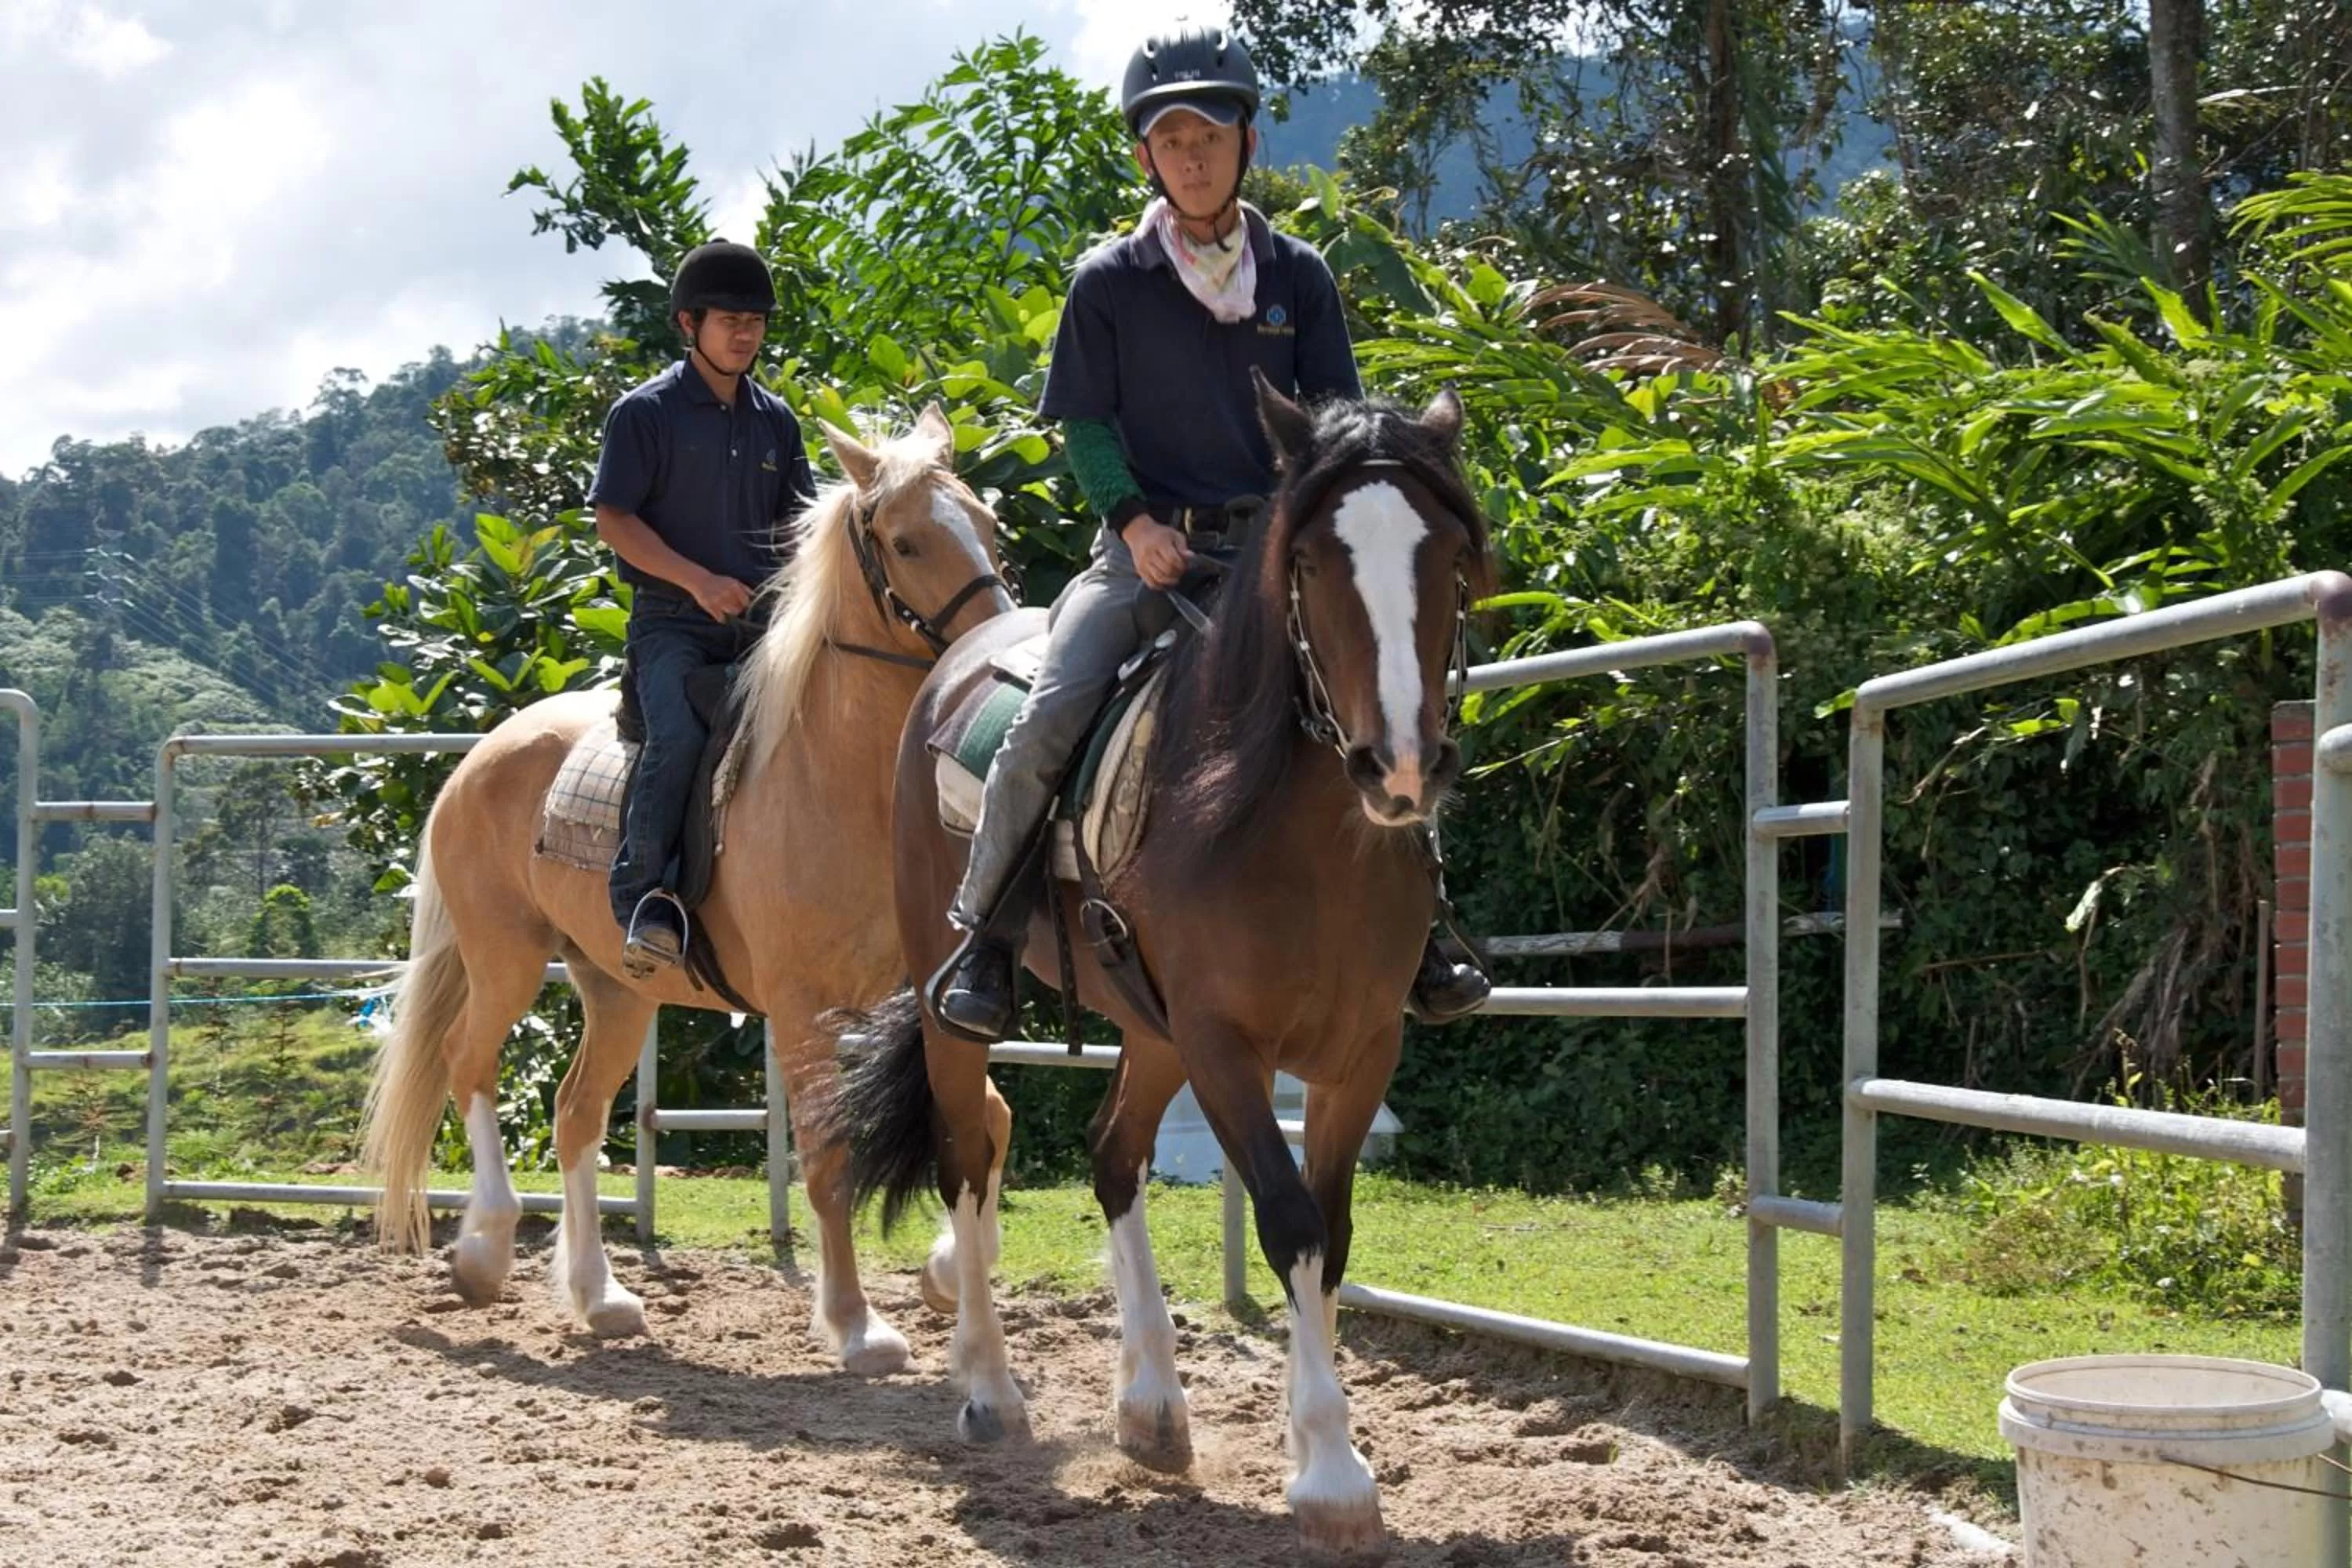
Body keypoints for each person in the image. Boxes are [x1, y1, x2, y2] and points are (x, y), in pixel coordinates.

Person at [929, 24, 1490, 1040]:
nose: (1192, 153)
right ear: (1146, 155)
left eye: (1211, 132)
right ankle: (986, 940)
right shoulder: (1107, 283)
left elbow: (1343, 440)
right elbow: (1088, 429)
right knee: (1047, 717)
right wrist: (1135, 523)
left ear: (1248, 143)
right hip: (1147, 551)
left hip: (1284, 560)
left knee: (1386, 701)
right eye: (1170, 137)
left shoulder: (1301, 277)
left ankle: (1430, 926)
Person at [588, 240, 817, 978]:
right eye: (730, 320)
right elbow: (615, 520)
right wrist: (697, 581)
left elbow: (798, 526)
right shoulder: (644, 415)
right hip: (672, 625)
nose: (746, 334)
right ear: (689, 323)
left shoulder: (777, 423)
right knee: (681, 738)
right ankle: (646, 897)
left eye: (755, 321)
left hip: (760, 627)